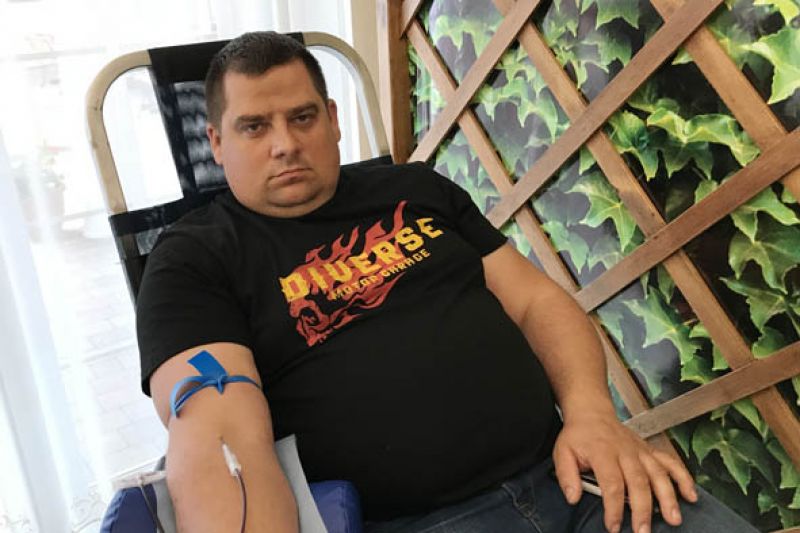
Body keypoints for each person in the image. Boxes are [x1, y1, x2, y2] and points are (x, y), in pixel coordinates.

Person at [135, 31, 757, 533]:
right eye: (254, 127)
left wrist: (593, 414)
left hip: (574, 474)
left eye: (302, 117)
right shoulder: (195, 257)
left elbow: (535, 300)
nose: (285, 145)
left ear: (333, 119)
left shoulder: (415, 189)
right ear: (215, 142)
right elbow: (219, 432)